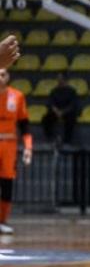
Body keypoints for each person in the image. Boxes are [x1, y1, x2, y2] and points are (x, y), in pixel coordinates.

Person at [0, 69, 32, 234]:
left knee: (7, 183)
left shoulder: (17, 96)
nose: (0, 77)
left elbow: (25, 125)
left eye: (3, 74)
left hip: (9, 145)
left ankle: (3, 221)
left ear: (8, 76)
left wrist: (28, 147)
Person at [42, 72, 78, 146]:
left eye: (60, 79)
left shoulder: (71, 91)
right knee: (46, 118)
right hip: (56, 112)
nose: (58, 80)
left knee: (71, 118)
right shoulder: (54, 91)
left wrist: (63, 112)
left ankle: (67, 141)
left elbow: (73, 104)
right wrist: (55, 110)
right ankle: (50, 138)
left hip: (67, 112)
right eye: (58, 79)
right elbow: (51, 102)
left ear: (65, 80)